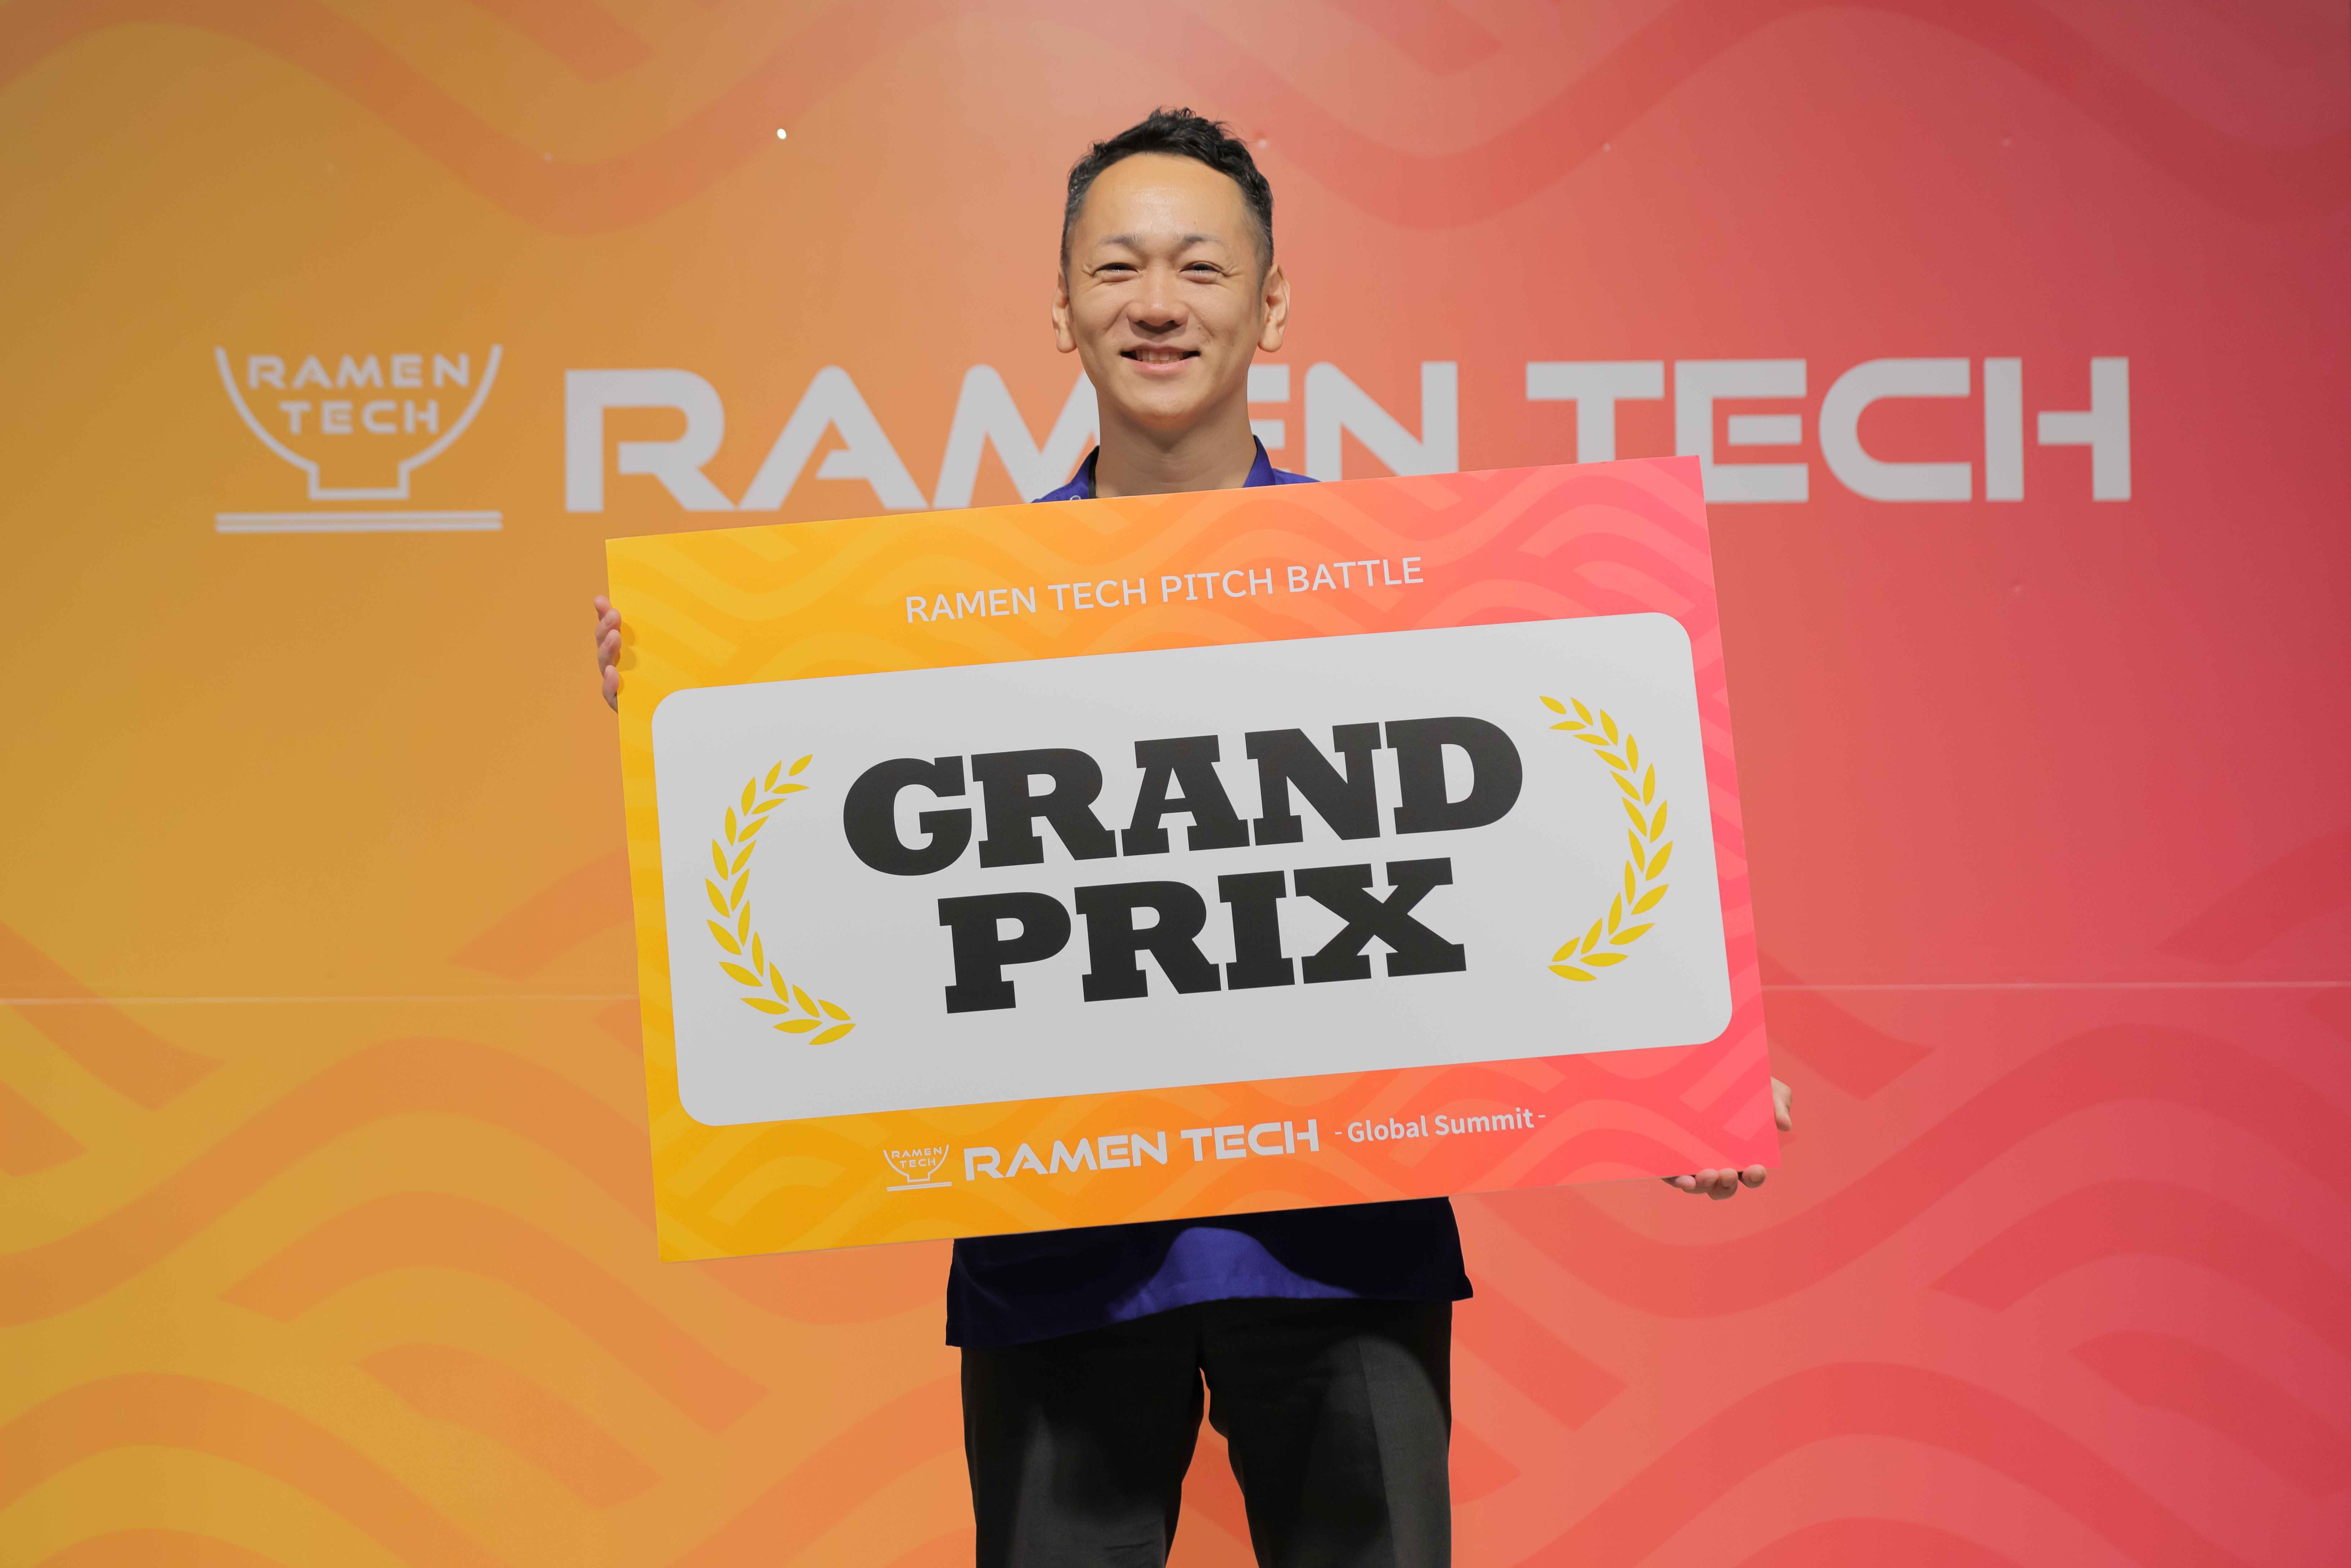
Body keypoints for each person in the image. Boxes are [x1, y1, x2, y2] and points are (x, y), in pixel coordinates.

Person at [592, 108, 1793, 1568]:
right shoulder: (940, 619)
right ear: (1062, 307)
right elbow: (851, 902)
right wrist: (689, 705)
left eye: (1201, 269)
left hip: (1347, 1253)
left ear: (1271, 305)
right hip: (1057, 1266)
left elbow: (1516, 864)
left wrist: (1673, 1078)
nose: (1157, 303)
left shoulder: (1405, 594)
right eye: (1117, 269)